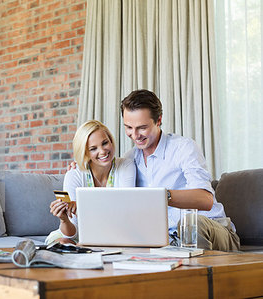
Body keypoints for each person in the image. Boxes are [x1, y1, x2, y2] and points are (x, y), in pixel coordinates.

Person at [119, 89, 239, 251]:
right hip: (167, 240)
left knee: (192, 224)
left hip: (212, 230)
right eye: (128, 127)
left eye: (142, 128)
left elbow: (205, 199)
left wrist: (162, 196)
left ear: (158, 120)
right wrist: (83, 170)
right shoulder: (129, 159)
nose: (135, 135)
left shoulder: (183, 148)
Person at [46, 120, 136, 245]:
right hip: (77, 236)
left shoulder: (126, 166)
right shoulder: (74, 174)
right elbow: (72, 233)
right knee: (63, 243)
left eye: (105, 143)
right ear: (85, 152)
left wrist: (86, 211)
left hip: (113, 234)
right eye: (93, 149)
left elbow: (125, 214)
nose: (103, 151)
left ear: (111, 140)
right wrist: (64, 219)